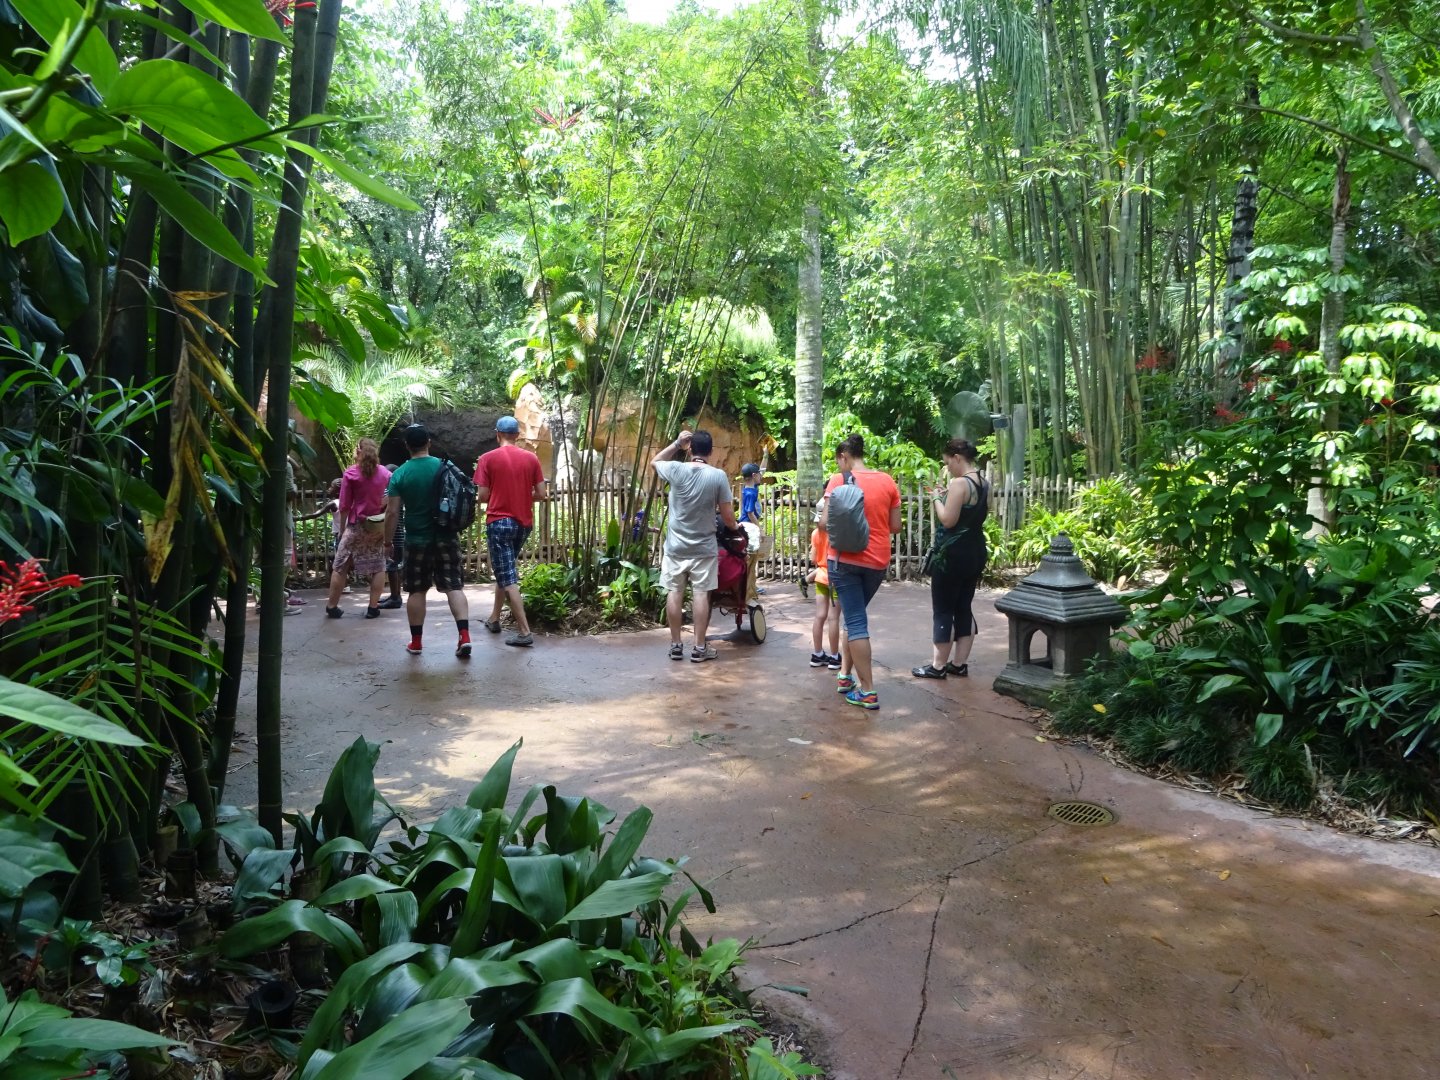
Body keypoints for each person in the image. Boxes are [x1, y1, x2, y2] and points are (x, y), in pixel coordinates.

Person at [821, 434, 901, 710]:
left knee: (856, 623)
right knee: (853, 616)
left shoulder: (838, 480)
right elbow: (895, 525)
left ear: (844, 456)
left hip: (843, 560)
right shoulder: (888, 481)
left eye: (839, 460)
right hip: (876, 562)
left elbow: (823, 523)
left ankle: (867, 691)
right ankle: (845, 676)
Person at [383, 424, 472, 657]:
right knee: (454, 586)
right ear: (429, 443)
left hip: (416, 539)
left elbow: (392, 513)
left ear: (407, 446)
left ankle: (417, 642)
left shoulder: (400, 474)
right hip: (446, 535)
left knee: (416, 590)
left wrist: (387, 541)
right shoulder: (445, 467)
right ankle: (464, 636)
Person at [651, 428, 737, 662]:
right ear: (711, 451)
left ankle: (676, 645)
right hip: (703, 547)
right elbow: (728, 518)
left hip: (676, 547)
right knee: (701, 594)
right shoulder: (717, 476)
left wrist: (676, 444)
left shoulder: (676, 469)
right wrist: (736, 529)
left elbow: (655, 462)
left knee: (674, 592)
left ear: (690, 449)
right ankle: (699, 648)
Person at [912, 438, 989, 679]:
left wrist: (936, 497)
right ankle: (959, 663)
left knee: (944, 609)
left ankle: (937, 666)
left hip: (952, 555)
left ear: (957, 457)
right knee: (963, 606)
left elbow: (948, 520)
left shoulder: (959, 483)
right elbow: (974, 514)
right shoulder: (984, 483)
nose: (947, 468)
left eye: (948, 463)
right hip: (975, 551)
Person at [474, 415, 547, 648]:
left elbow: (483, 496)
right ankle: (494, 619)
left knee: (508, 576)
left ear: (497, 434)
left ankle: (525, 632)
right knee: (504, 569)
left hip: (499, 522)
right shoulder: (531, 458)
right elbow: (542, 494)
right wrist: (524, 496)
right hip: (523, 524)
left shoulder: (487, 459)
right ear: (517, 435)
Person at [323, 440, 392, 619]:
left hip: (356, 525)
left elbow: (344, 505)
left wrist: (342, 529)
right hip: (376, 525)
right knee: (378, 565)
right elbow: (391, 498)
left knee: (340, 565)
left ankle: (332, 606)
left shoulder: (351, 473)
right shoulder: (385, 473)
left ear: (359, 451)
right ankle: (372, 608)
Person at [806, 508, 841, 669]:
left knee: (819, 616)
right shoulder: (836, 533)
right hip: (835, 577)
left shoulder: (815, 534)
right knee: (833, 618)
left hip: (820, 577)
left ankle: (817, 654)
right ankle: (834, 657)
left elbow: (813, 558)